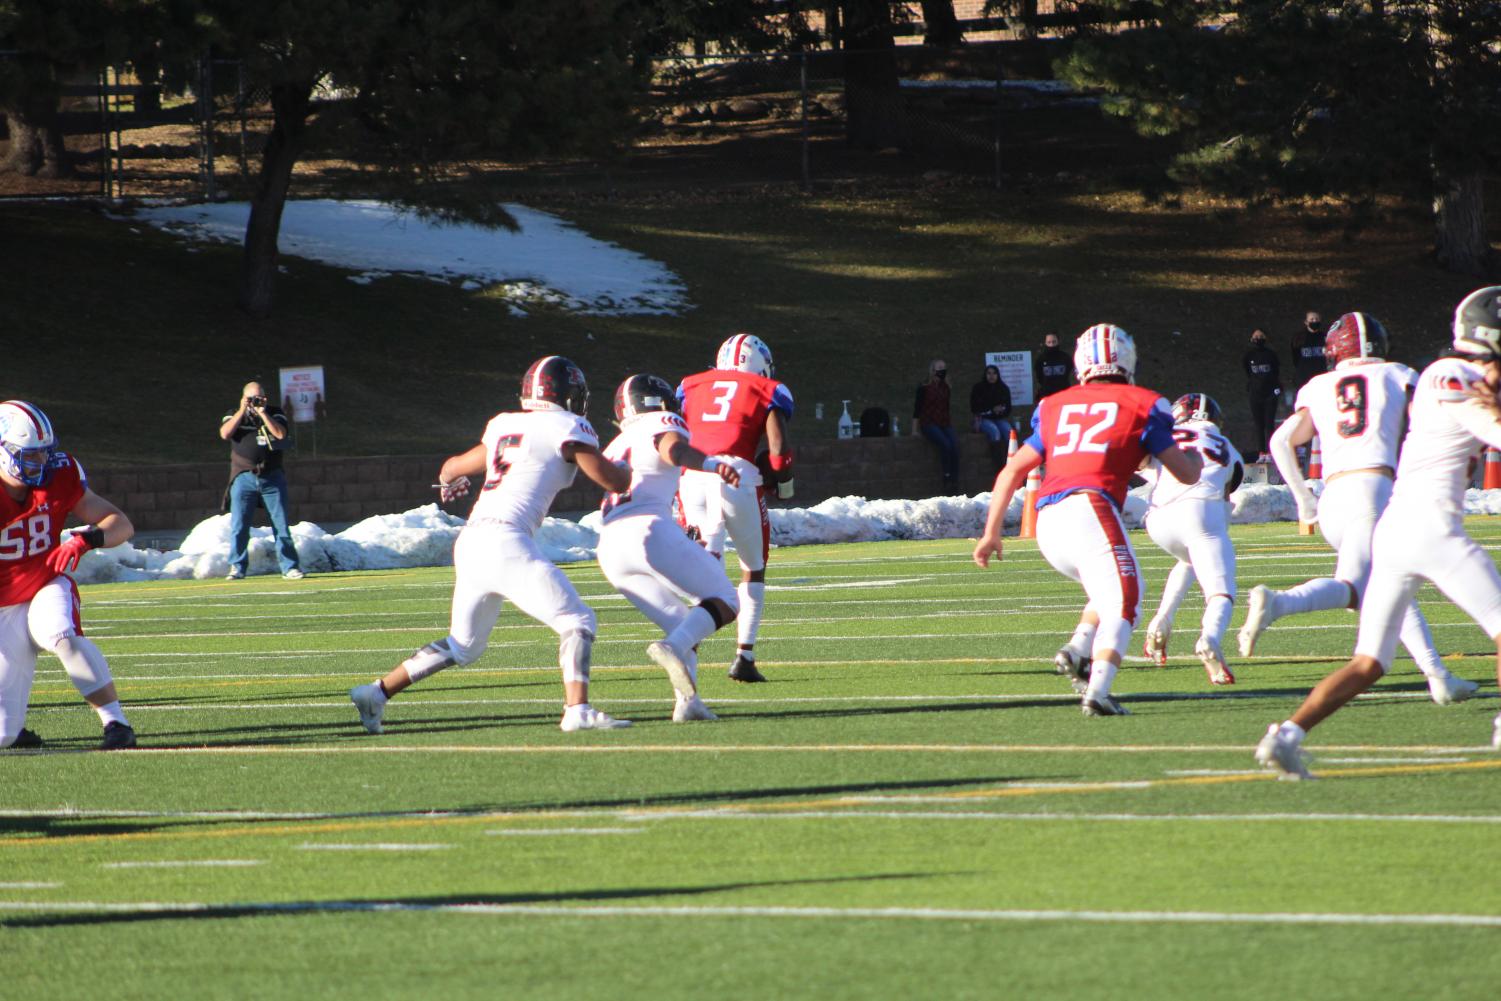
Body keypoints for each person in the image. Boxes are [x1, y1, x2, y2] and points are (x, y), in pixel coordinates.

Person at [1254, 289, 1501, 778]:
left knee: (1370, 663)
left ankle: (1285, 736)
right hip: (1430, 526)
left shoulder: (1449, 374)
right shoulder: (1446, 375)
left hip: (1393, 527)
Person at [348, 356, 635, 734]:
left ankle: (376, 693)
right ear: (568, 395)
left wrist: (449, 481)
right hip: (506, 540)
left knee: (464, 645)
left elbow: (452, 467)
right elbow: (613, 481)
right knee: (577, 620)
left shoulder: (504, 424)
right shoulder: (568, 425)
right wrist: (632, 468)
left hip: (472, 541)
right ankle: (577, 709)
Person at [1238, 312, 1473, 705]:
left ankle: (1438, 676)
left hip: (1333, 497)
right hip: (1373, 491)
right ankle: (1278, 602)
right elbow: (1430, 422)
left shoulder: (1317, 385)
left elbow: (1280, 442)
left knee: (1390, 583)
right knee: (1357, 586)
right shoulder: (1398, 374)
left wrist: (1304, 500)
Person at [973, 324, 1203, 716]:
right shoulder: (1145, 402)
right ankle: (1098, 689)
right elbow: (1186, 473)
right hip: (1090, 508)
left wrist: (991, 532)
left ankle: (1079, 649)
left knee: (1110, 590)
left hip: (1049, 522)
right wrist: (1195, 457)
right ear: (1128, 359)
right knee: (1127, 597)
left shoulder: (1055, 404)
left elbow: (1012, 471)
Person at [598, 375, 742, 722]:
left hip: (609, 546)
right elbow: (671, 447)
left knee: (683, 621)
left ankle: (687, 703)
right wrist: (708, 463)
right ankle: (671, 649)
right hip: (647, 528)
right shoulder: (662, 422)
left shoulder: (616, 443)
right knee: (726, 599)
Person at [0, 401, 137, 750]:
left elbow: (121, 524)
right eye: (30, 456)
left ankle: (116, 723)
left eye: (45, 454)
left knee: (60, 632)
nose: (41, 463)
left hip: (46, 580)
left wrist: (87, 538)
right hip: (3, 603)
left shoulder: (60, 474)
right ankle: (13, 730)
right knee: (3, 734)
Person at [676, 333, 795, 684]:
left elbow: (680, 431)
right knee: (753, 568)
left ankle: (689, 647)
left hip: (693, 475)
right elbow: (778, 448)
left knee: (702, 562)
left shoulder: (689, 385)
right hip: (737, 476)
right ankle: (744, 656)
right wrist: (783, 481)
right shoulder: (767, 387)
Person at [1140, 394, 1244, 685]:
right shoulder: (1226, 445)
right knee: (1221, 592)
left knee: (1189, 558)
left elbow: (1141, 464)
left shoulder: (1166, 435)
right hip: (1200, 512)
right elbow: (1229, 487)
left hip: (1158, 519)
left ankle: (1162, 619)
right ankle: (1209, 637)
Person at [220, 381, 303, 580]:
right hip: (243, 477)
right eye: (251, 398)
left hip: (272, 476)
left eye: (258, 397)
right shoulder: (234, 413)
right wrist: (242, 409)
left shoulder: (275, 412)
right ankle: (237, 567)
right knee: (239, 525)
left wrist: (263, 413)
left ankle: (289, 567)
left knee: (281, 524)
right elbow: (225, 433)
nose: (254, 402)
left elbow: (281, 434)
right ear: (243, 398)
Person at [913, 359, 959, 489]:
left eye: (944, 368)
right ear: (933, 370)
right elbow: (917, 409)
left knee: (955, 445)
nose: (942, 371)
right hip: (929, 422)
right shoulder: (924, 387)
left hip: (944, 422)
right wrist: (914, 429)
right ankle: (946, 475)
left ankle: (954, 478)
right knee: (945, 444)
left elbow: (946, 407)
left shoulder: (946, 387)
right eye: (939, 368)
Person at [1241, 329, 1282, 461]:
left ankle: (1270, 452)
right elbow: (1247, 370)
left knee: (1269, 424)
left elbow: (1276, 371)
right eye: (1256, 336)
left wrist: (1276, 388)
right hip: (1255, 393)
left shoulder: (1271, 355)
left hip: (1270, 393)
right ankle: (1261, 452)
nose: (1258, 338)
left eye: (1261, 336)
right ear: (1252, 338)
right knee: (1259, 425)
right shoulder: (1249, 355)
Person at [969, 364, 1014, 471]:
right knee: (994, 432)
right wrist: (991, 409)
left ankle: (1011, 462)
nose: (991, 376)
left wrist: (1001, 410)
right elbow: (974, 408)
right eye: (989, 373)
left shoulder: (1003, 388)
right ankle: (999, 465)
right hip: (983, 418)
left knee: (1009, 432)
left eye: (994, 373)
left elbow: (1008, 408)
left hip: (999, 418)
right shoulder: (978, 388)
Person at [1291, 310, 1327, 390]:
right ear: (1306, 322)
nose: (1314, 321)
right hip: (1304, 378)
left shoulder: (1325, 336)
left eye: (1317, 319)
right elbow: (1296, 358)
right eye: (1312, 319)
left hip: (1322, 376)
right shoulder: (1299, 338)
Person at [1034, 332, 1073, 399]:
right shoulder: (1041, 359)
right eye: (1049, 342)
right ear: (1045, 343)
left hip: (1063, 393)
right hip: (1046, 394)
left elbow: (1069, 371)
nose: (1051, 345)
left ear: (1058, 342)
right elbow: (1039, 376)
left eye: (1054, 342)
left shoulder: (1065, 357)